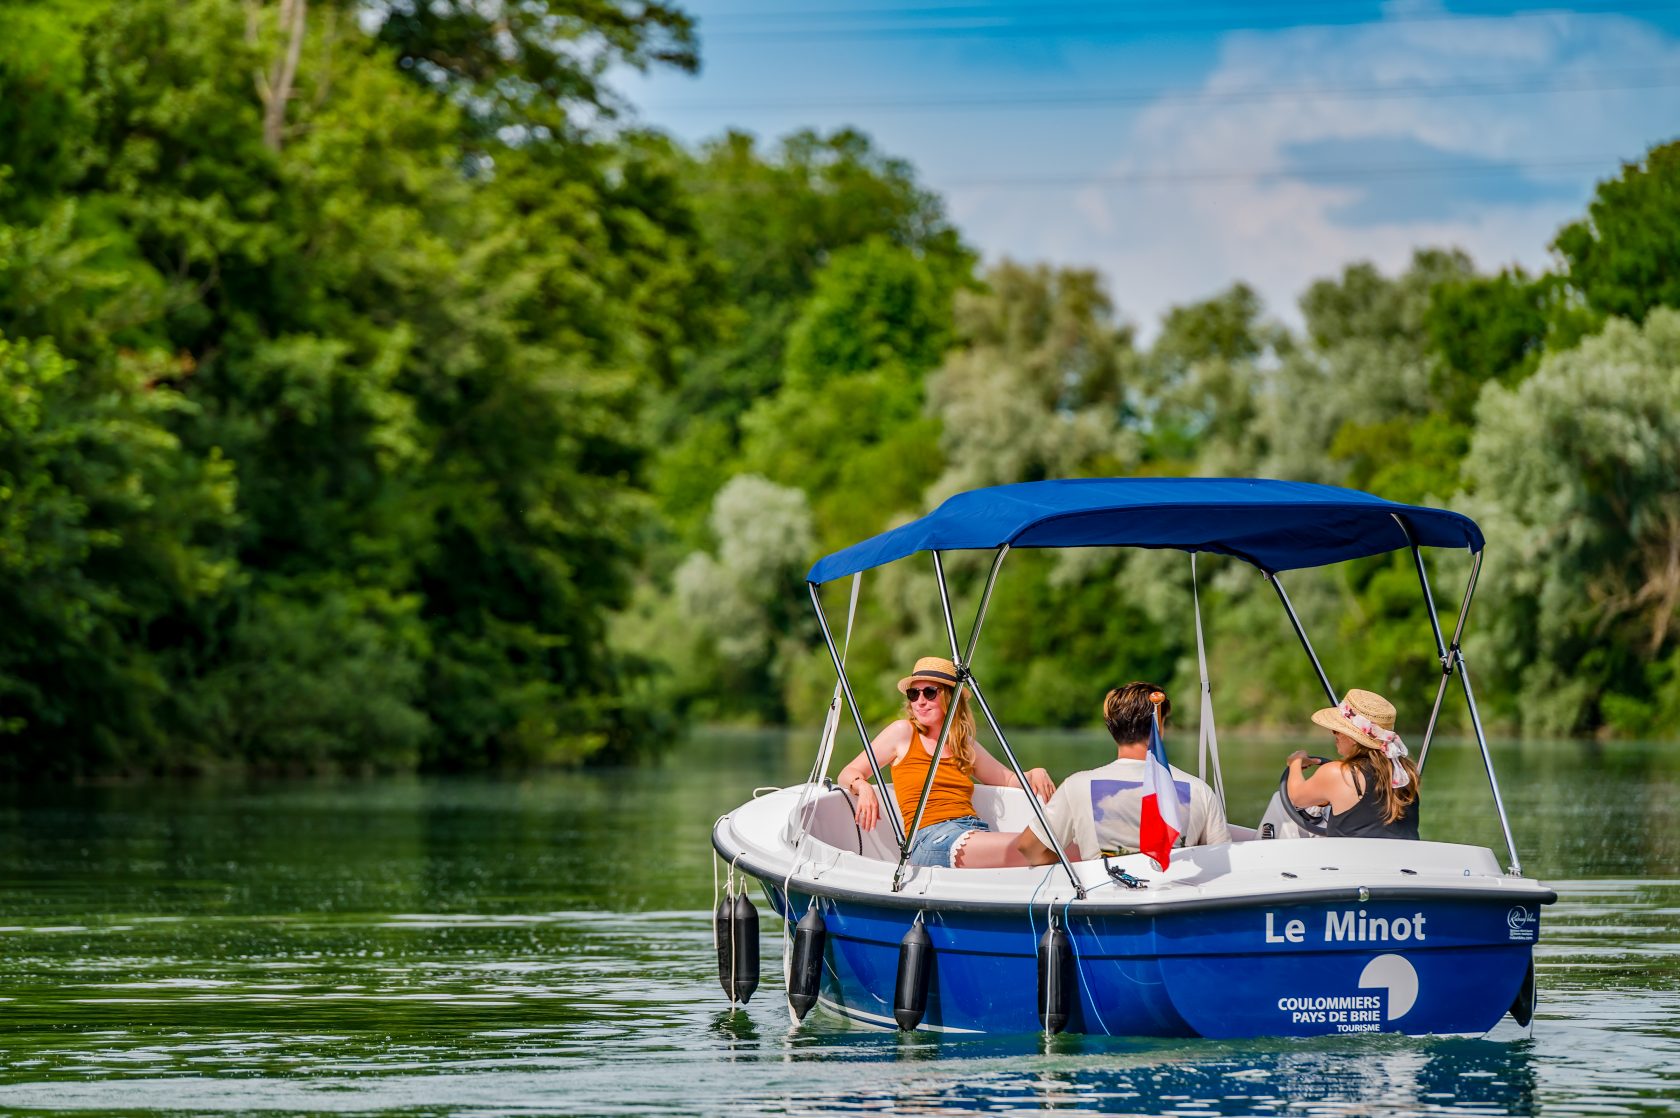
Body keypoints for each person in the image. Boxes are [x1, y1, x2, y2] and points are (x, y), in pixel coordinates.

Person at [835, 656, 1056, 869]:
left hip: (973, 830)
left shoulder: (962, 744)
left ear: (950, 697)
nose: (920, 701)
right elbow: (849, 772)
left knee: (1064, 846)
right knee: (1042, 848)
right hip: (932, 839)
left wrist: (1034, 773)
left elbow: (1007, 778)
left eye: (930, 692)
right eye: (914, 694)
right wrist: (862, 787)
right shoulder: (903, 732)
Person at [1017, 682, 1230, 865]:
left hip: (1103, 899)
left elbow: (1029, 847)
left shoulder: (1077, 786)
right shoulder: (1198, 789)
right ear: (1159, 727)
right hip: (1177, 897)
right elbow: (1220, 861)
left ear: (1112, 728)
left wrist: (1073, 867)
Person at [1284, 688, 1420, 839]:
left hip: (1351, 861)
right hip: (1403, 861)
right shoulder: (1407, 772)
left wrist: (1295, 762)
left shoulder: (1337, 773)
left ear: (1353, 737)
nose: (1333, 733)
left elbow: (1296, 797)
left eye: (1337, 730)